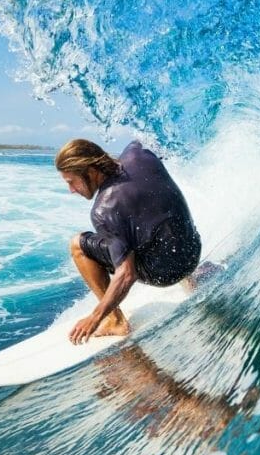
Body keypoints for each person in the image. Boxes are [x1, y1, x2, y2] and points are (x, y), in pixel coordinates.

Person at [56, 139, 201, 344]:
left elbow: (126, 274)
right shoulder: (138, 153)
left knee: (77, 244)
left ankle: (115, 321)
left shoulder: (103, 210)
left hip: (165, 274)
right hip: (192, 252)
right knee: (152, 214)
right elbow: (150, 141)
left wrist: (94, 317)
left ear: (90, 171)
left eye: (71, 181)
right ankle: (192, 280)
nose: (71, 189)